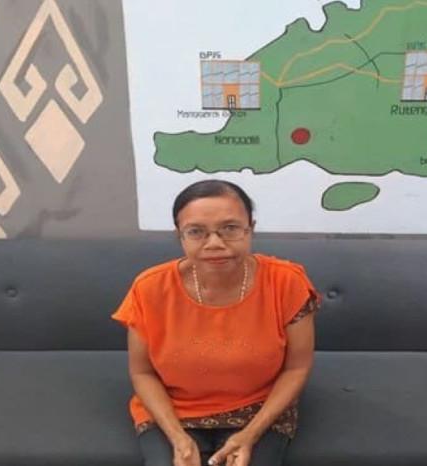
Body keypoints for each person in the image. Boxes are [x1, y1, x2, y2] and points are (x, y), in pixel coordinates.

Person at [112, 179, 320, 466]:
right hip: (174, 412)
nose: (215, 243)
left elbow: (297, 368)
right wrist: (178, 439)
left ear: (250, 229)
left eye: (230, 228)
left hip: (259, 409)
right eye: (196, 232)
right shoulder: (149, 288)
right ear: (180, 236)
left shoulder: (286, 282)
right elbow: (142, 373)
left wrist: (249, 435)